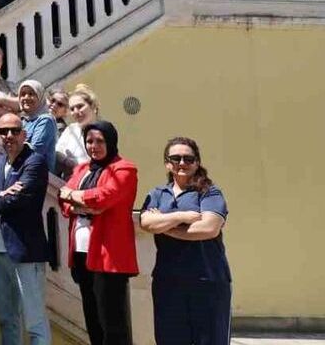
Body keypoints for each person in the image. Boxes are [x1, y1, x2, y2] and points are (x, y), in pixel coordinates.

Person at [139, 137, 232, 345]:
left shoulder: (209, 192)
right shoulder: (157, 194)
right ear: (167, 163)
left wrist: (164, 224)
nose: (182, 163)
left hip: (207, 283)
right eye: (175, 158)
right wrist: (182, 217)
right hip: (167, 283)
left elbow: (209, 229)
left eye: (188, 159)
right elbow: (146, 223)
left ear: (197, 163)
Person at [59, 121, 139, 345]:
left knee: (113, 324)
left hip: (108, 256)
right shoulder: (82, 169)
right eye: (89, 141)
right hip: (81, 253)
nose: (93, 146)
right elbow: (62, 199)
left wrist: (74, 197)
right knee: (93, 320)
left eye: (100, 141)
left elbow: (103, 197)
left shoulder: (124, 169)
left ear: (111, 142)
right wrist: (82, 205)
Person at [0, 112, 51, 345]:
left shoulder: (35, 162)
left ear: (24, 135)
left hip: (25, 251)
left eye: (15, 131)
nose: (9, 135)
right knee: (7, 317)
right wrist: (0, 194)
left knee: (34, 321)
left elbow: (16, 200)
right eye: (3, 131)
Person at [56, 84, 100, 179]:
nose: (75, 112)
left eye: (80, 106)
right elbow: (57, 153)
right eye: (72, 109)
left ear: (92, 106)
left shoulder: (103, 133)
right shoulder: (70, 129)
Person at [17, 79, 58, 173]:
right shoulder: (21, 121)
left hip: (36, 174)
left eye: (31, 94)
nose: (26, 98)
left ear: (40, 97)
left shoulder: (46, 120)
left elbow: (35, 151)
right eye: (23, 94)